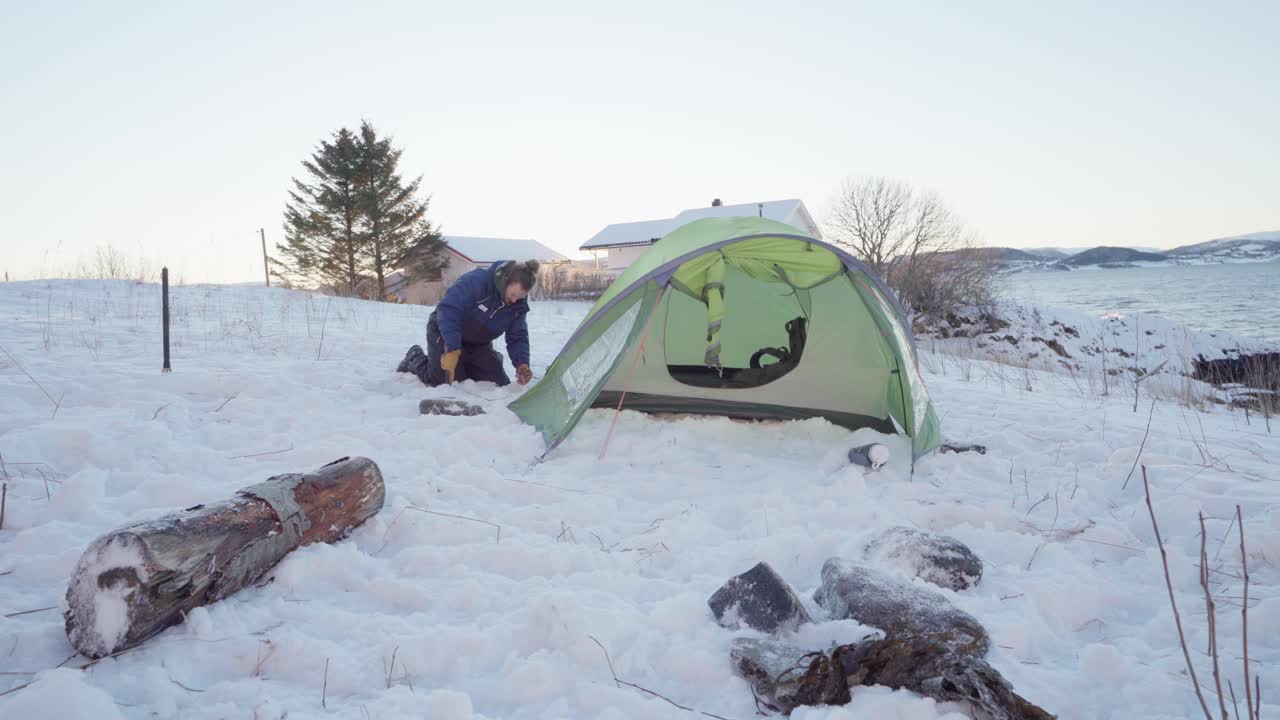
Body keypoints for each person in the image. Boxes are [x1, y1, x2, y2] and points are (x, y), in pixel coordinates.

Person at [397, 260, 540, 387]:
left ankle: (472, 363)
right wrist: (452, 349)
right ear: (505, 281)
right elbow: (449, 311)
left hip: (477, 344)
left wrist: (522, 364)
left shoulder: (518, 305)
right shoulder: (477, 281)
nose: (514, 300)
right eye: (513, 294)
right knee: (442, 381)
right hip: (445, 332)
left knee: (497, 382)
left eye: (520, 297)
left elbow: (517, 335)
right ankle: (414, 358)